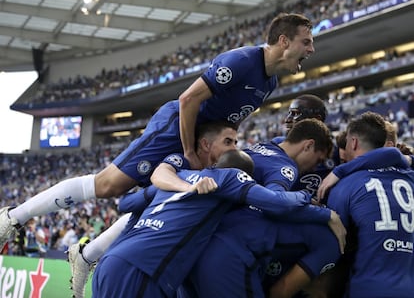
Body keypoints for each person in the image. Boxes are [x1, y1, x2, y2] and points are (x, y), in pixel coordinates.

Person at [0, 12, 315, 249]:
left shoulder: (270, 82)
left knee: (169, 201)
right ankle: (13, 216)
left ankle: (87, 256)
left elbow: (233, 118)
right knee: (110, 185)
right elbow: (188, 98)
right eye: (306, 41)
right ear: (284, 40)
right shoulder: (242, 61)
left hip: (203, 139)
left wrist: (219, 146)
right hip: (176, 127)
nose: (311, 49)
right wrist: (190, 151)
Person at [91, 149, 323, 298]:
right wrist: (305, 196)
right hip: (143, 270)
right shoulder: (228, 178)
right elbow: (279, 203)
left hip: (111, 262)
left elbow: (126, 203)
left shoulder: (177, 177)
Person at [68, 120, 239, 297]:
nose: (234, 148)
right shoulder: (185, 161)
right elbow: (148, 184)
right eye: (228, 142)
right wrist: (185, 188)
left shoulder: (226, 177)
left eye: (235, 142)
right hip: (138, 263)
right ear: (205, 144)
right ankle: (87, 254)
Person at [186, 118, 344, 298]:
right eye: (318, 160)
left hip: (196, 242)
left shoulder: (259, 147)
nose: (314, 167)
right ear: (308, 146)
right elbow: (275, 203)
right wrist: (322, 211)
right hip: (229, 255)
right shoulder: (285, 167)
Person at [326, 112, 414, 298]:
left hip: (367, 287)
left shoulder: (344, 184)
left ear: (354, 143)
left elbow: (334, 245)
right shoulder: (410, 176)